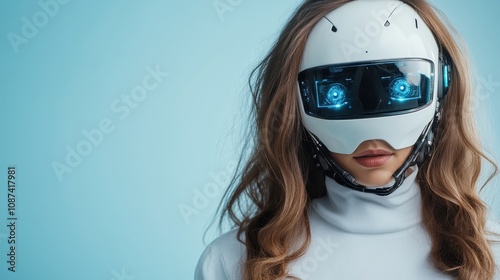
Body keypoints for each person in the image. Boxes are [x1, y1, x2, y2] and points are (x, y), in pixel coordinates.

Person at [195, 0, 500, 279]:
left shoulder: (492, 256)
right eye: (334, 92)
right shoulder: (232, 262)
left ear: (441, 90)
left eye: (400, 87)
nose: (371, 138)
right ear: (294, 104)